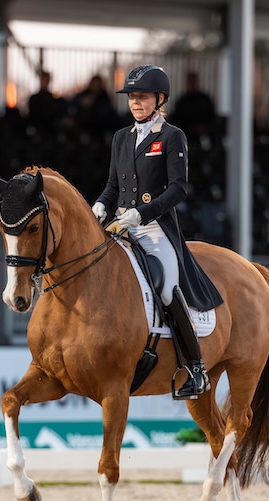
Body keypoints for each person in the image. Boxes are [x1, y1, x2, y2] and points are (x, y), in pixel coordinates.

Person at [91, 64, 223, 399]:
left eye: (143, 96)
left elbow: (178, 189)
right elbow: (112, 185)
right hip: (119, 225)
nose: (136, 102)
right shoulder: (121, 138)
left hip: (154, 227)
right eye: (133, 97)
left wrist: (140, 214)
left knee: (166, 286)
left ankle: (195, 368)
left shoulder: (171, 136)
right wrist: (99, 207)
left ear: (159, 99)